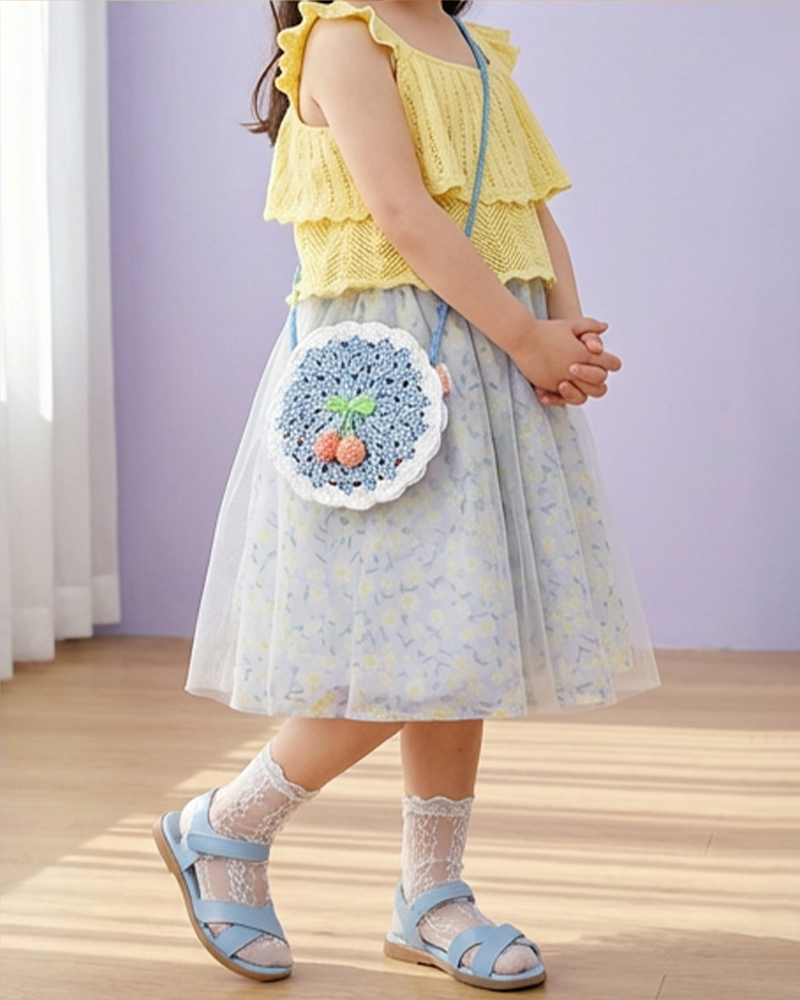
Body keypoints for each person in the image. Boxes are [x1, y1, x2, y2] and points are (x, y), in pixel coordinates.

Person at [153, 0, 660, 990]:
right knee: (416, 639)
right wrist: (527, 337)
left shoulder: (473, 49)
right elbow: (402, 213)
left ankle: (431, 892)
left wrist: (564, 332)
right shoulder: (345, 39)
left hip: (495, 359)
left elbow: (530, 206)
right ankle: (228, 823)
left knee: (464, 636)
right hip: (389, 376)